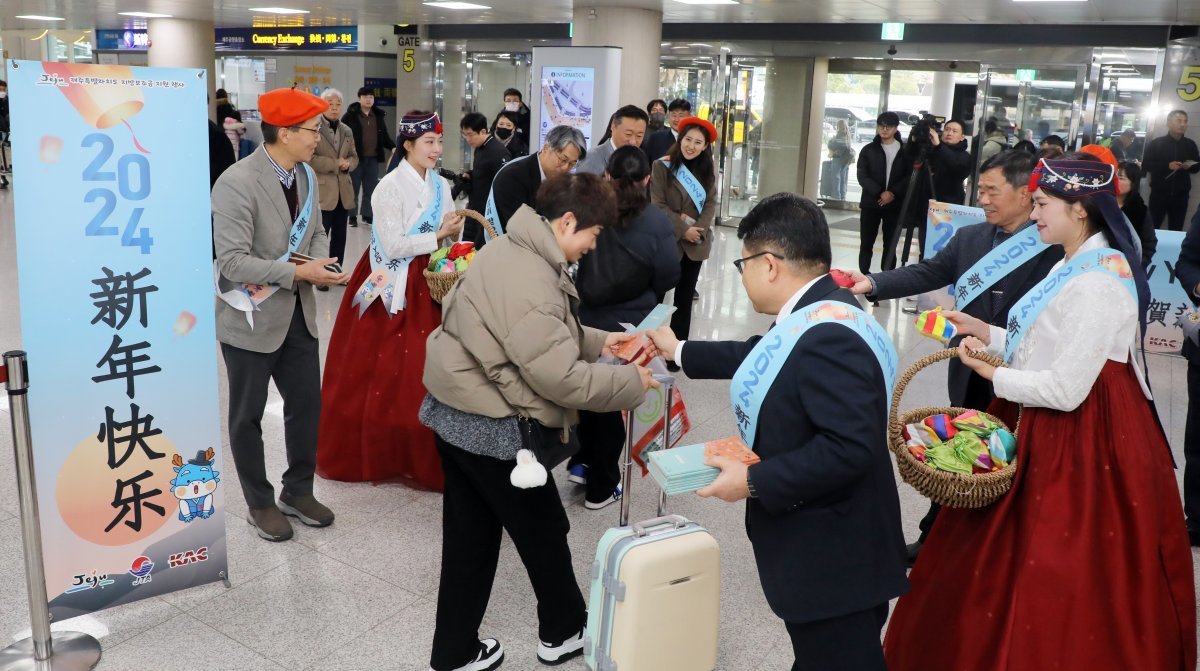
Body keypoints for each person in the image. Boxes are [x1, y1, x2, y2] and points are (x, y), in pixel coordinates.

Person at [885, 158, 1196, 671]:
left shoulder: (1098, 281)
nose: (1034, 217)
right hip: (1046, 415)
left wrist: (990, 375)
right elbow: (1046, 346)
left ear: (1079, 209)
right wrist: (988, 334)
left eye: (1043, 205)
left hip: (1080, 434)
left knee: (1054, 558)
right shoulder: (1071, 261)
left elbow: (1066, 388)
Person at [645, 193, 908, 671]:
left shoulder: (828, 335)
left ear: (769, 265)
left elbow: (849, 448)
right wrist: (677, 350)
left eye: (742, 263)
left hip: (833, 557)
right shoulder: (827, 306)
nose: (741, 275)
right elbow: (767, 352)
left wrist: (750, 482)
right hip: (839, 544)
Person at [420, 173, 658, 671]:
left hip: (457, 413)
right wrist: (633, 382)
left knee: (471, 538)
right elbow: (562, 379)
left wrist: (600, 342)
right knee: (544, 530)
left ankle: (455, 651)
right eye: (593, 235)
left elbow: (538, 332)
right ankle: (564, 631)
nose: (593, 246)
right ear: (567, 221)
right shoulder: (533, 277)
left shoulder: (514, 245)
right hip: (492, 429)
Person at [839, 150, 1063, 563]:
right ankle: (935, 538)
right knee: (961, 447)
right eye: (981, 189)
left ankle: (998, 548)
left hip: (1025, 373)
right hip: (968, 365)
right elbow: (927, 272)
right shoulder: (971, 238)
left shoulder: (1054, 246)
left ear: (1025, 193)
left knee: (1014, 457)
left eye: (992, 190)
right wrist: (871, 282)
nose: (983, 199)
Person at [212, 88, 349, 542]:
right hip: (250, 318)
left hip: (299, 315)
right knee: (247, 415)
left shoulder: (307, 177)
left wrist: (321, 264)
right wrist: (298, 271)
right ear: (285, 133)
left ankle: (298, 490)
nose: (318, 138)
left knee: (307, 404)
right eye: (312, 131)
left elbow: (317, 233)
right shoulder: (236, 182)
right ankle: (259, 501)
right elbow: (230, 262)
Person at [316, 112, 464, 488]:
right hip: (388, 277)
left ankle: (425, 448)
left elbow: (444, 235)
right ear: (408, 145)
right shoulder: (388, 186)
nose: (436, 149)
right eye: (428, 142)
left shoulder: (442, 186)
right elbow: (393, 243)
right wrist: (438, 235)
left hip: (427, 279)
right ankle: (384, 447)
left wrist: (450, 239)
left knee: (426, 365)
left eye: (439, 141)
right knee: (382, 366)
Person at [568, 146, 680, 508]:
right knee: (616, 403)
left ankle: (581, 464)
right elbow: (668, 274)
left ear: (606, 177)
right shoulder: (657, 222)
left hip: (586, 320)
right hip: (631, 325)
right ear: (647, 179)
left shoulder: (589, 213)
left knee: (584, 393)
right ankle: (602, 486)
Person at [651, 117, 718, 368]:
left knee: (684, 298)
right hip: (668, 240)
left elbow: (710, 203)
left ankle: (675, 353)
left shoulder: (708, 170)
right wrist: (684, 230)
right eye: (687, 139)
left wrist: (697, 230)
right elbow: (657, 205)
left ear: (704, 147)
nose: (691, 146)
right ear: (680, 140)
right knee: (656, 296)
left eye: (697, 142)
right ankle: (646, 344)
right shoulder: (662, 166)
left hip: (695, 244)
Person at [485, 125, 586, 233]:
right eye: (562, 159)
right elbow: (519, 227)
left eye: (572, 164)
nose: (566, 168)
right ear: (546, 148)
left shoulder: (563, 181)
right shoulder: (513, 176)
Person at [902, 118, 973, 261]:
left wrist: (939, 146)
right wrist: (914, 140)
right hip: (926, 208)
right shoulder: (931, 151)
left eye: (954, 131)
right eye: (947, 130)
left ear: (962, 137)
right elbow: (908, 160)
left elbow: (958, 168)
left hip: (947, 210)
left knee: (943, 252)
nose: (949, 133)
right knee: (925, 249)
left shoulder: (963, 156)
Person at [310, 88, 358, 284]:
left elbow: (354, 156)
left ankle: (336, 273)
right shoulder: (314, 127)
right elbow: (309, 158)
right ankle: (321, 278)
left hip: (343, 191)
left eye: (338, 104)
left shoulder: (346, 130)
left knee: (340, 237)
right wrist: (335, 164)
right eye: (330, 103)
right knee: (322, 237)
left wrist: (349, 164)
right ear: (322, 105)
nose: (335, 107)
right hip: (324, 191)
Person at [856, 111, 909, 274]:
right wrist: (880, 192)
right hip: (871, 203)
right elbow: (862, 175)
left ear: (895, 128)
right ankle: (864, 273)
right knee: (866, 241)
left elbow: (909, 177)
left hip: (894, 204)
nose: (884, 129)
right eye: (881, 126)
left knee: (891, 242)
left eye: (889, 126)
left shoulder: (905, 150)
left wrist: (892, 193)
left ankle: (887, 274)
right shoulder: (868, 150)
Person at [342, 86, 396, 226]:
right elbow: (342, 135)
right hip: (355, 159)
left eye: (371, 97)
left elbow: (384, 136)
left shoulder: (378, 115)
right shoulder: (350, 115)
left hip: (372, 158)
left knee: (371, 189)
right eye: (365, 97)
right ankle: (352, 216)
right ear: (359, 98)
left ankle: (367, 215)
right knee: (353, 188)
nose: (368, 99)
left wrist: (393, 147)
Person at [458, 111, 511, 245]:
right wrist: (470, 174)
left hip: (488, 214)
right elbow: (483, 172)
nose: (467, 139)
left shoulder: (497, 151)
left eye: (470, 134)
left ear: (482, 131)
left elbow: (506, 183)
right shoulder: (479, 148)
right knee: (467, 250)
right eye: (465, 135)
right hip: (475, 208)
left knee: (480, 252)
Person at [1144, 110, 1200, 231]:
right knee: (1152, 228)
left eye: (1185, 121)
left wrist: (1190, 166)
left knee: (1176, 229)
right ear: (1169, 123)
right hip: (1159, 195)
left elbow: (1196, 168)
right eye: (1179, 121)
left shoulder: (1190, 144)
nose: (1183, 124)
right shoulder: (1156, 143)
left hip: (1181, 196)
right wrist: (1167, 166)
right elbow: (1146, 165)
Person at [576, 104, 649, 175]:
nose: (633, 142)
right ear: (613, 127)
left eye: (639, 136)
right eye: (628, 134)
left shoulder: (640, 159)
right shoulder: (592, 158)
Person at [1117, 161, 1156, 268]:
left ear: (1133, 183)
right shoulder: (1101, 205)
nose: (1115, 180)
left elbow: (1149, 242)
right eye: (1114, 176)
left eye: (1121, 178)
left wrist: (1138, 265)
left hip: (1127, 270)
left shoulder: (1140, 210)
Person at [826, 119, 855, 201]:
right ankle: (843, 194)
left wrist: (831, 141)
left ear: (839, 126)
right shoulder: (848, 134)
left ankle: (836, 195)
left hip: (838, 158)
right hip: (846, 159)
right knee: (843, 177)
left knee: (836, 177)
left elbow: (833, 145)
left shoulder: (840, 134)